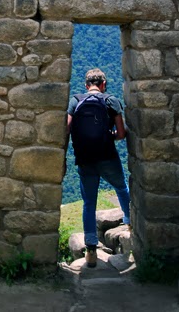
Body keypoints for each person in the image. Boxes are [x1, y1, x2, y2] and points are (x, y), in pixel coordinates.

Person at [66, 68, 131, 268]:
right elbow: (121, 133)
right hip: (107, 156)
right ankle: (130, 224)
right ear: (103, 85)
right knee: (121, 188)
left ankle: (91, 251)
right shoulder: (111, 101)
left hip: (85, 159)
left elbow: (67, 129)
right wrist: (108, 134)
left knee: (88, 203)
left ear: (86, 86)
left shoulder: (75, 101)